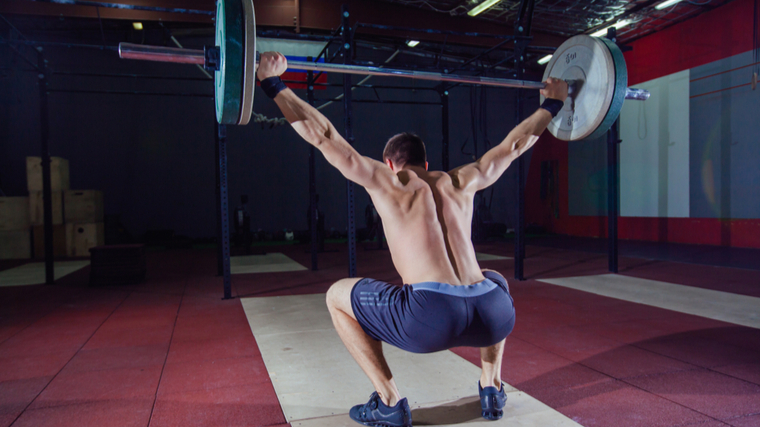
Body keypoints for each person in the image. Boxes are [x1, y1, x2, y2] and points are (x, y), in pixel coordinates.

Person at [257, 52, 568, 427]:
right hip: (493, 315)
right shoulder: (462, 180)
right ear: (426, 160)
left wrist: (272, 84)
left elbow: (324, 136)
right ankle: (491, 385)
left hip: (431, 318)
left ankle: (389, 402)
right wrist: (553, 103)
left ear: (391, 163)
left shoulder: (388, 182)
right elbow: (515, 146)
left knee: (336, 297)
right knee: (494, 279)